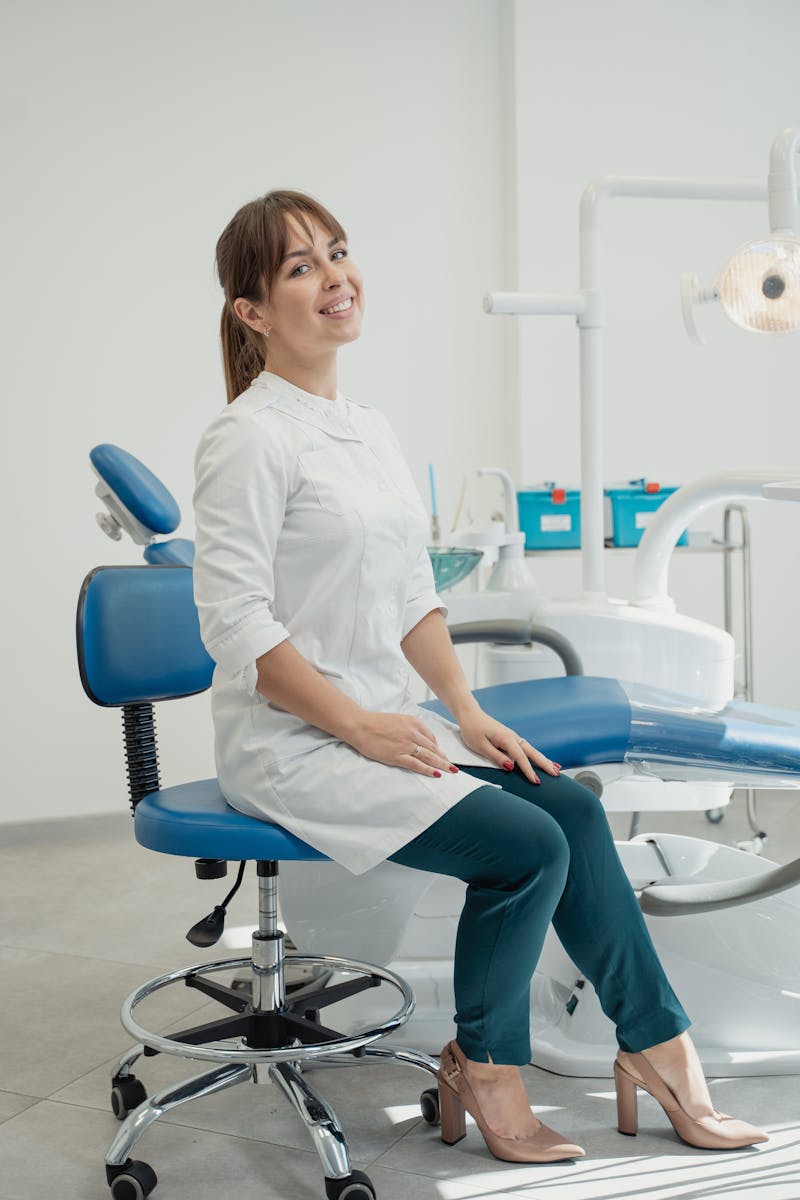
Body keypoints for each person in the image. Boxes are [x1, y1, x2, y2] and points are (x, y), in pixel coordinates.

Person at [192, 189, 767, 1163]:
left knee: (570, 809)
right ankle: (484, 1066)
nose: (334, 275)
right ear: (251, 310)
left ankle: (657, 1047)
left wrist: (460, 709)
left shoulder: (364, 427)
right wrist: (363, 728)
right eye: (300, 266)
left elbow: (412, 596)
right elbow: (237, 627)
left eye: (337, 251)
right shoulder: (248, 438)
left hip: (385, 723)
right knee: (524, 850)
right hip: (294, 742)